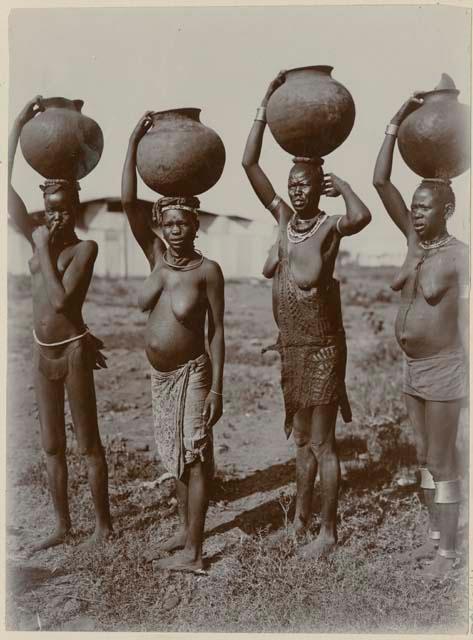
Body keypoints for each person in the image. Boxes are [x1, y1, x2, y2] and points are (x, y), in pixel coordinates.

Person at [242, 72, 371, 558]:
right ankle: (299, 519)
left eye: (307, 184)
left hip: (322, 349)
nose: (297, 191)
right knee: (300, 444)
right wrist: (262, 105)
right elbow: (249, 163)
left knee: (323, 445)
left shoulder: (328, 228)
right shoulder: (283, 222)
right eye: (293, 184)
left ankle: (329, 531)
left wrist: (346, 187)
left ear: (319, 186)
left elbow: (362, 217)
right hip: (292, 349)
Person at [8, 97, 113, 553]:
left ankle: (103, 527)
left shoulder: (82, 250)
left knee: (88, 443)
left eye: (65, 209)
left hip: (72, 349)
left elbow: (61, 298)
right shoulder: (39, 240)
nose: (57, 217)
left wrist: (42, 246)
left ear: (77, 207)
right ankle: (62, 525)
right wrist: (15, 127)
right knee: (51, 446)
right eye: (50, 209)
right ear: (43, 206)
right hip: (40, 349)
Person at [121, 112, 225, 573]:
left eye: (184, 223)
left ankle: (196, 554)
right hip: (161, 377)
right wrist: (132, 143)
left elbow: (218, 332)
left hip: (193, 372)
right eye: (170, 224)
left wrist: (218, 390)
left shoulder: (208, 271)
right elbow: (128, 201)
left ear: (195, 225)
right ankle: (186, 531)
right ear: (162, 226)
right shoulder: (156, 258)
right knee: (177, 455)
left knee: (196, 455)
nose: (177, 230)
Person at [373, 94, 469, 578]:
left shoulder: (461, 255)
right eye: (414, 207)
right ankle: (434, 539)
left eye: (425, 207)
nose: (415, 213)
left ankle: (449, 555)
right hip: (413, 368)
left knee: (442, 458)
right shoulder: (414, 242)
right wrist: (394, 122)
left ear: (447, 208)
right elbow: (380, 181)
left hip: (446, 369)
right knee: (420, 456)